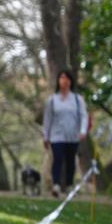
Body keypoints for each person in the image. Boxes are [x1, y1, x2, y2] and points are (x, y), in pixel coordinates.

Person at [42, 69, 88, 197]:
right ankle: (56, 185)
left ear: (71, 81)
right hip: (56, 135)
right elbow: (47, 119)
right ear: (58, 81)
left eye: (67, 78)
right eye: (61, 78)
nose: (64, 80)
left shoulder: (78, 100)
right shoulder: (52, 100)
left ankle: (69, 185)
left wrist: (83, 131)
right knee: (57, 158)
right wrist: (46, 136)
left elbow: (84, 116)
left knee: (70, 161)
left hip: (73, 135)